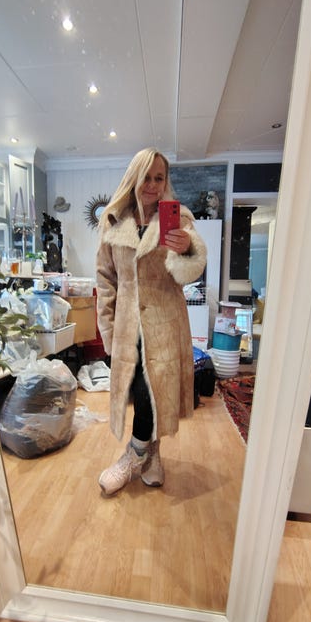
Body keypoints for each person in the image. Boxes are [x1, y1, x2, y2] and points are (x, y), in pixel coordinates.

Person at [96, 147, 207, 495]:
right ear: (134, 177)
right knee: (140, 390)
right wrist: (108, 331)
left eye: (159, 178)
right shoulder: (114, 221)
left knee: (153, 388)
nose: (153, 184)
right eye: (147, 176)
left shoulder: (179, 219)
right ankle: (153, 453)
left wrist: (187, 249)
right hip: (127, 323)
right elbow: (105, 279)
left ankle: (135, 454)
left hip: (165, 321)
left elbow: (191, 272)